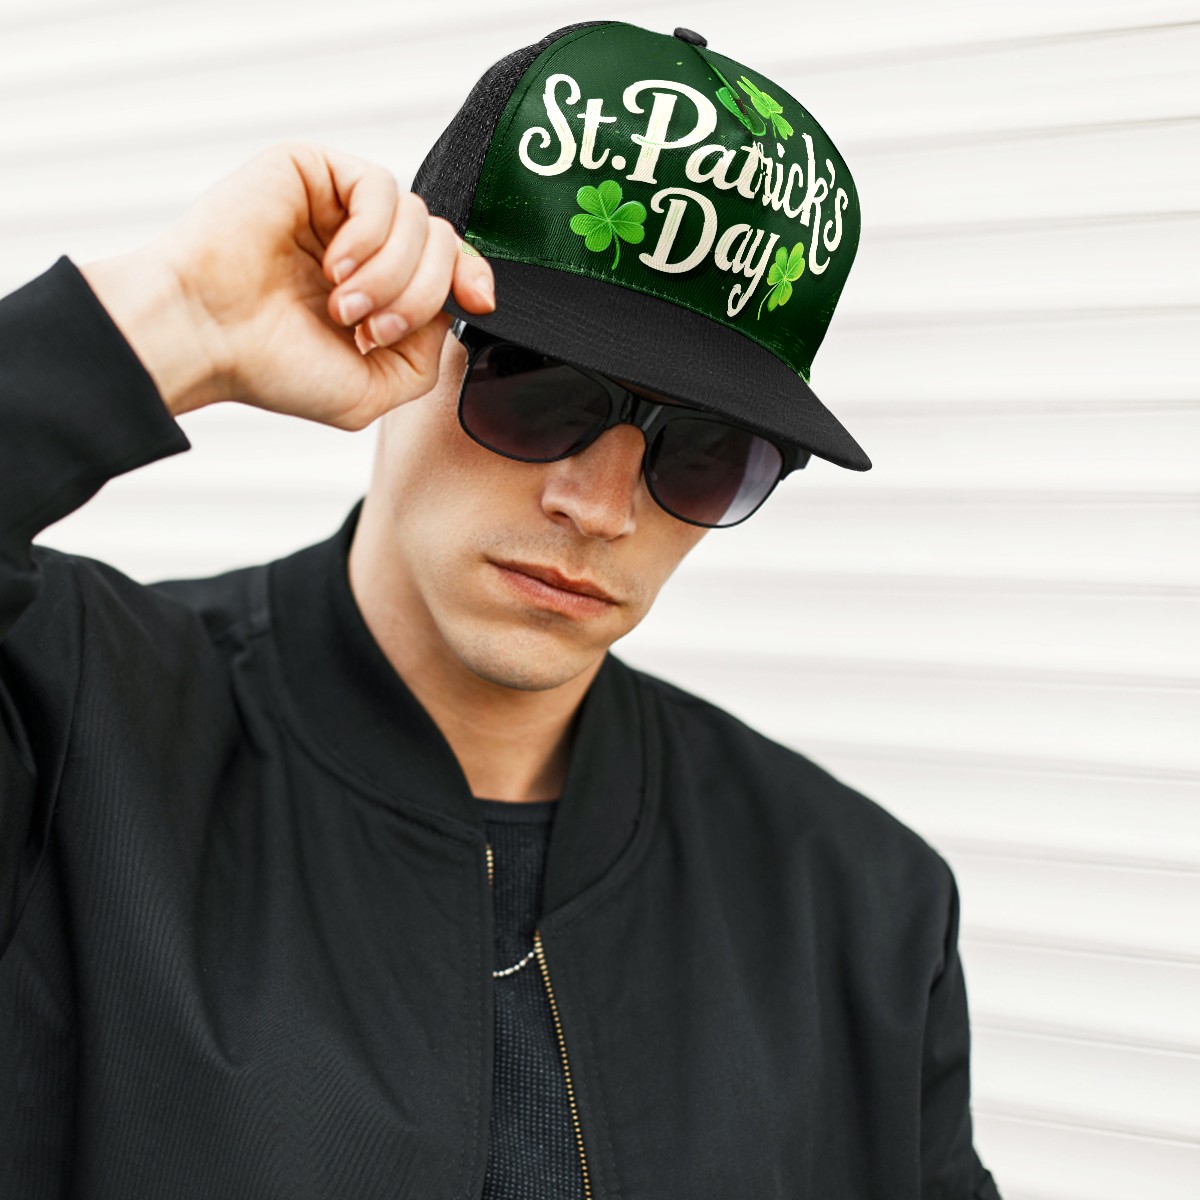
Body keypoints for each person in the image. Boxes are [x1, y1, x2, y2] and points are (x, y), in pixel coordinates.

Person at [0, 19, 1002, 1200]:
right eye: (539, 387)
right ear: (396, 327)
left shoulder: (859, 909)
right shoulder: (68, 727)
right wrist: (170, 318)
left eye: (707, 453)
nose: (602, 506)